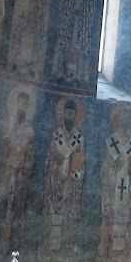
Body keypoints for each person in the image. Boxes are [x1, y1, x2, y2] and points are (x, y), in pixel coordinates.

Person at [97, 104, 131, 260]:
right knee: (111, 217)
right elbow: (104, 168)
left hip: (129, 188)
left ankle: (125, 252)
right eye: (122, 119)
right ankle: (108, 252)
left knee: (127, 219)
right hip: (112, 187)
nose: (125, 122)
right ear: (118, 120)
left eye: (128, 119)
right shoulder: (111, 141)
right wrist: (112, 168)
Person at [0, 90, 36, 254]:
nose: (22, 107)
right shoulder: (7, 126)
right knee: (2, 208)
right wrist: (6, 164)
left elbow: (31, 156)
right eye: (20, 103)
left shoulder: (30, 131)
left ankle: (14, 246)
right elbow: (1, 152)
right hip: (6, 174)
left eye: (25, 104)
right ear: (14, 104)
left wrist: (23, 167)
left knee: (16, 210)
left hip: (19, 176)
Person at [43, 98, 85, 253]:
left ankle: (65, 249)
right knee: (54, 216)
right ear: (63, 114)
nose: (69, 115)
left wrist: (75, 173)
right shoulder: (56, 136)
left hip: (70, 184)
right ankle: (51, 248)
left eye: (72, 113)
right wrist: (55, 164)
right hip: (55, 181)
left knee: (68, 216)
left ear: (75, 116)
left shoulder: (79, 139)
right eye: (67, 112)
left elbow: (81, 163)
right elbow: (48, 159)